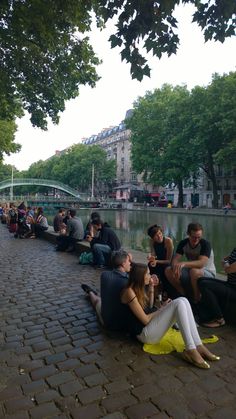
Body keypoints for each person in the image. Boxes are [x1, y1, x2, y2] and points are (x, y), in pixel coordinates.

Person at [82, 258, 220, 369]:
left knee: (183, 300)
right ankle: (190, 349)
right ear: (140, 276)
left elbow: (149, 306)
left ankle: (198, 345)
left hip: (149, 327)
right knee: (178, 303)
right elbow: (146, 320)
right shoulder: (128, 292)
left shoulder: (139, 288)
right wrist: (163, 309)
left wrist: (152, 289)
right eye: (147, 273)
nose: (150, 275)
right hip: (144, 334)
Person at [165, 222, 216, 302]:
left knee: (194, 271)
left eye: (199, 237)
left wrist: (183, 263)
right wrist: (175, 268)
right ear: (188, 234)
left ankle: (196, 298)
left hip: (207, 271)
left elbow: (201, 264)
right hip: (192, 271)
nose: (196, 240)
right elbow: (175, 260)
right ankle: (183, 294)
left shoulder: (205, 244)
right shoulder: (183, 243)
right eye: (193, 237)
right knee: (168, 270)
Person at [81, 250, 132, 329]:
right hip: (119, 325)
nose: (130, 263)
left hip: (105, 319)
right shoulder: (127, 282)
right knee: (99, 300)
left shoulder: (104, 275)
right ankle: (91, 292)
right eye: (129, 261)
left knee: (98, 301)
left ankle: (90, 292)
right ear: (123, 263)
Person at [197, 247, 236, 327]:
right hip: (230, 284)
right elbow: (225, 260)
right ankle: (204, 312)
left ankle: (220, 320)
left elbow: (228, 269)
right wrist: (226, 263)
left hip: (234, 289)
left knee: (205, 285)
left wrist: (225, 264)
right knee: (201, 280)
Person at [147, 224, 177, 299]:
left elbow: (169, 260)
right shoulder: (152, 241)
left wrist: (156, 261)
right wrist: (151, 257)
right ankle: (155, 285)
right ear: (153, 238)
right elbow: (153, 254)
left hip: (168, 263)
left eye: (160, 233)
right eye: (156, 236)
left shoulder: (168, 241)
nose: (159, 236)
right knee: (150, 264)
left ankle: (165, 291)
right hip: (159, 261)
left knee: (164, 269)